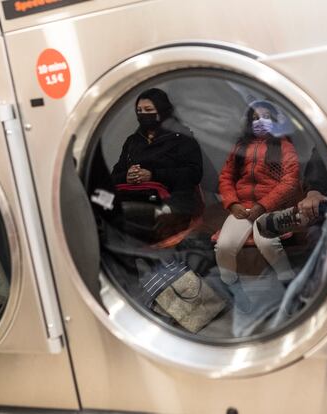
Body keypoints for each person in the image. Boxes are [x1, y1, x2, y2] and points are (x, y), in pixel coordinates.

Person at [215, 100, 300, 311]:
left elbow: (290, 182)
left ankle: (289, 283)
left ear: (275, 120)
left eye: (265, 117)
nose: (260, 122)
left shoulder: (284, 147)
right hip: (242, 207)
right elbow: (226, 177)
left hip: (271, 207)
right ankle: (233, 288)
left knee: (269, 243)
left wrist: (263, 206)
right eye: (255, 118)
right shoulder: (240, 147)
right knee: (224, 246)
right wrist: (232, 203)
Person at [111, 88, 203, 241]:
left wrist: (153, 175)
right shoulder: (133, 141)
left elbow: (194, 174)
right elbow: (114, 176)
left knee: (121, 215)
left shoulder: (182, 138)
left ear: (162, 111)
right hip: (133, 196)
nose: (143, 114)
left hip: (172, 201)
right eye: (139, 111)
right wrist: (127, 177)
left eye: (148, 110)